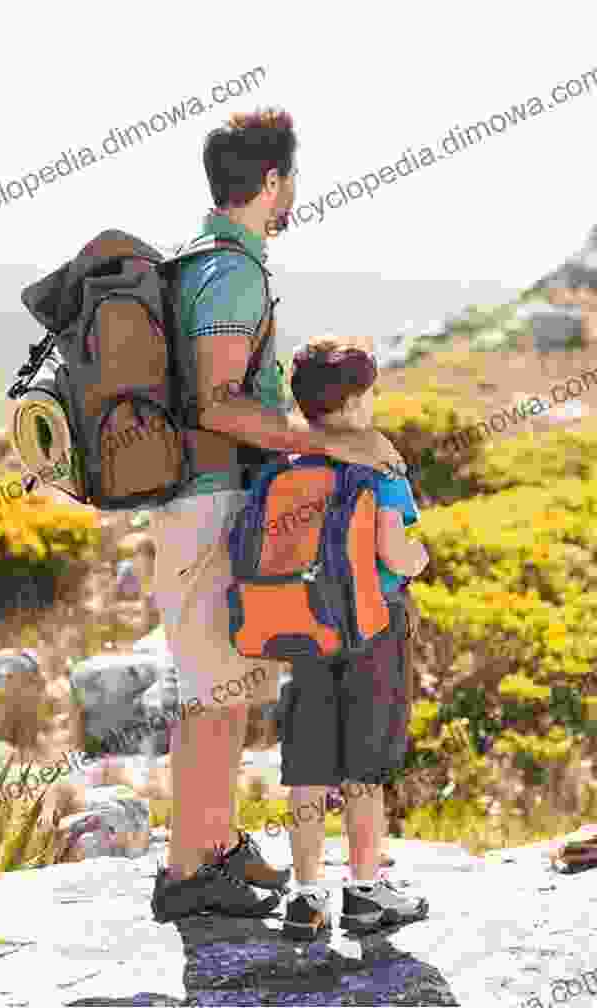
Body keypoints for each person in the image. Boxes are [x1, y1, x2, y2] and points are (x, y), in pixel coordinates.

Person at [149, 108, 408, 923]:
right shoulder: (229, 270)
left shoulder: (211, 260)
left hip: (210, 497)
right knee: (211, 690)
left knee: (221, 684)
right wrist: (335, 445)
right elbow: (219, 401)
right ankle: (190, 872)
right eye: (290, 179)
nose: (294, 192)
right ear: (270, 182)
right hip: (208, 496)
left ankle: (213, 851)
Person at [278, 339, 430, 939]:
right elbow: (396, 551)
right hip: (374, 627)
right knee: (365, 765)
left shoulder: (290, 459)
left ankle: (307, 897)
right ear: (359, 399)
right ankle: (366, 892)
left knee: (309, 767)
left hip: (307, 627)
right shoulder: (380, 462)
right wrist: (418, 557)